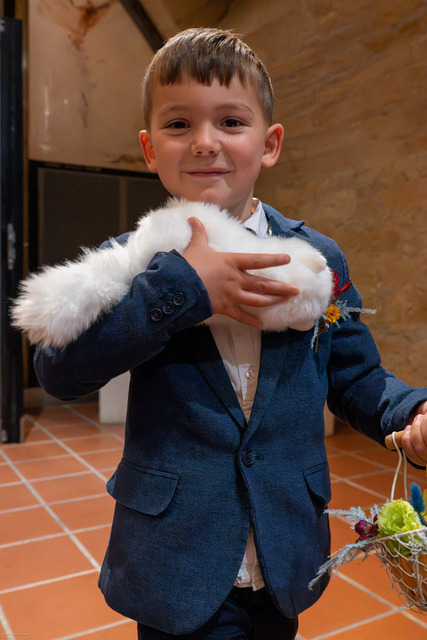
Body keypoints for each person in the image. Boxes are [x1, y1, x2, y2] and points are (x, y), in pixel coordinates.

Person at [33, 28, 427, 640]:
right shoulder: (130, 261)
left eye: (231, 121)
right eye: (179, 124)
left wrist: (410, 413)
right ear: (149, 148)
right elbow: (59, 371)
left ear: (269, 144)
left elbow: (356, 375)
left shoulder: (316, 259)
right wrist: (181, 289)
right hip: (175, 555)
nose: (205, 142)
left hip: (285, 545)